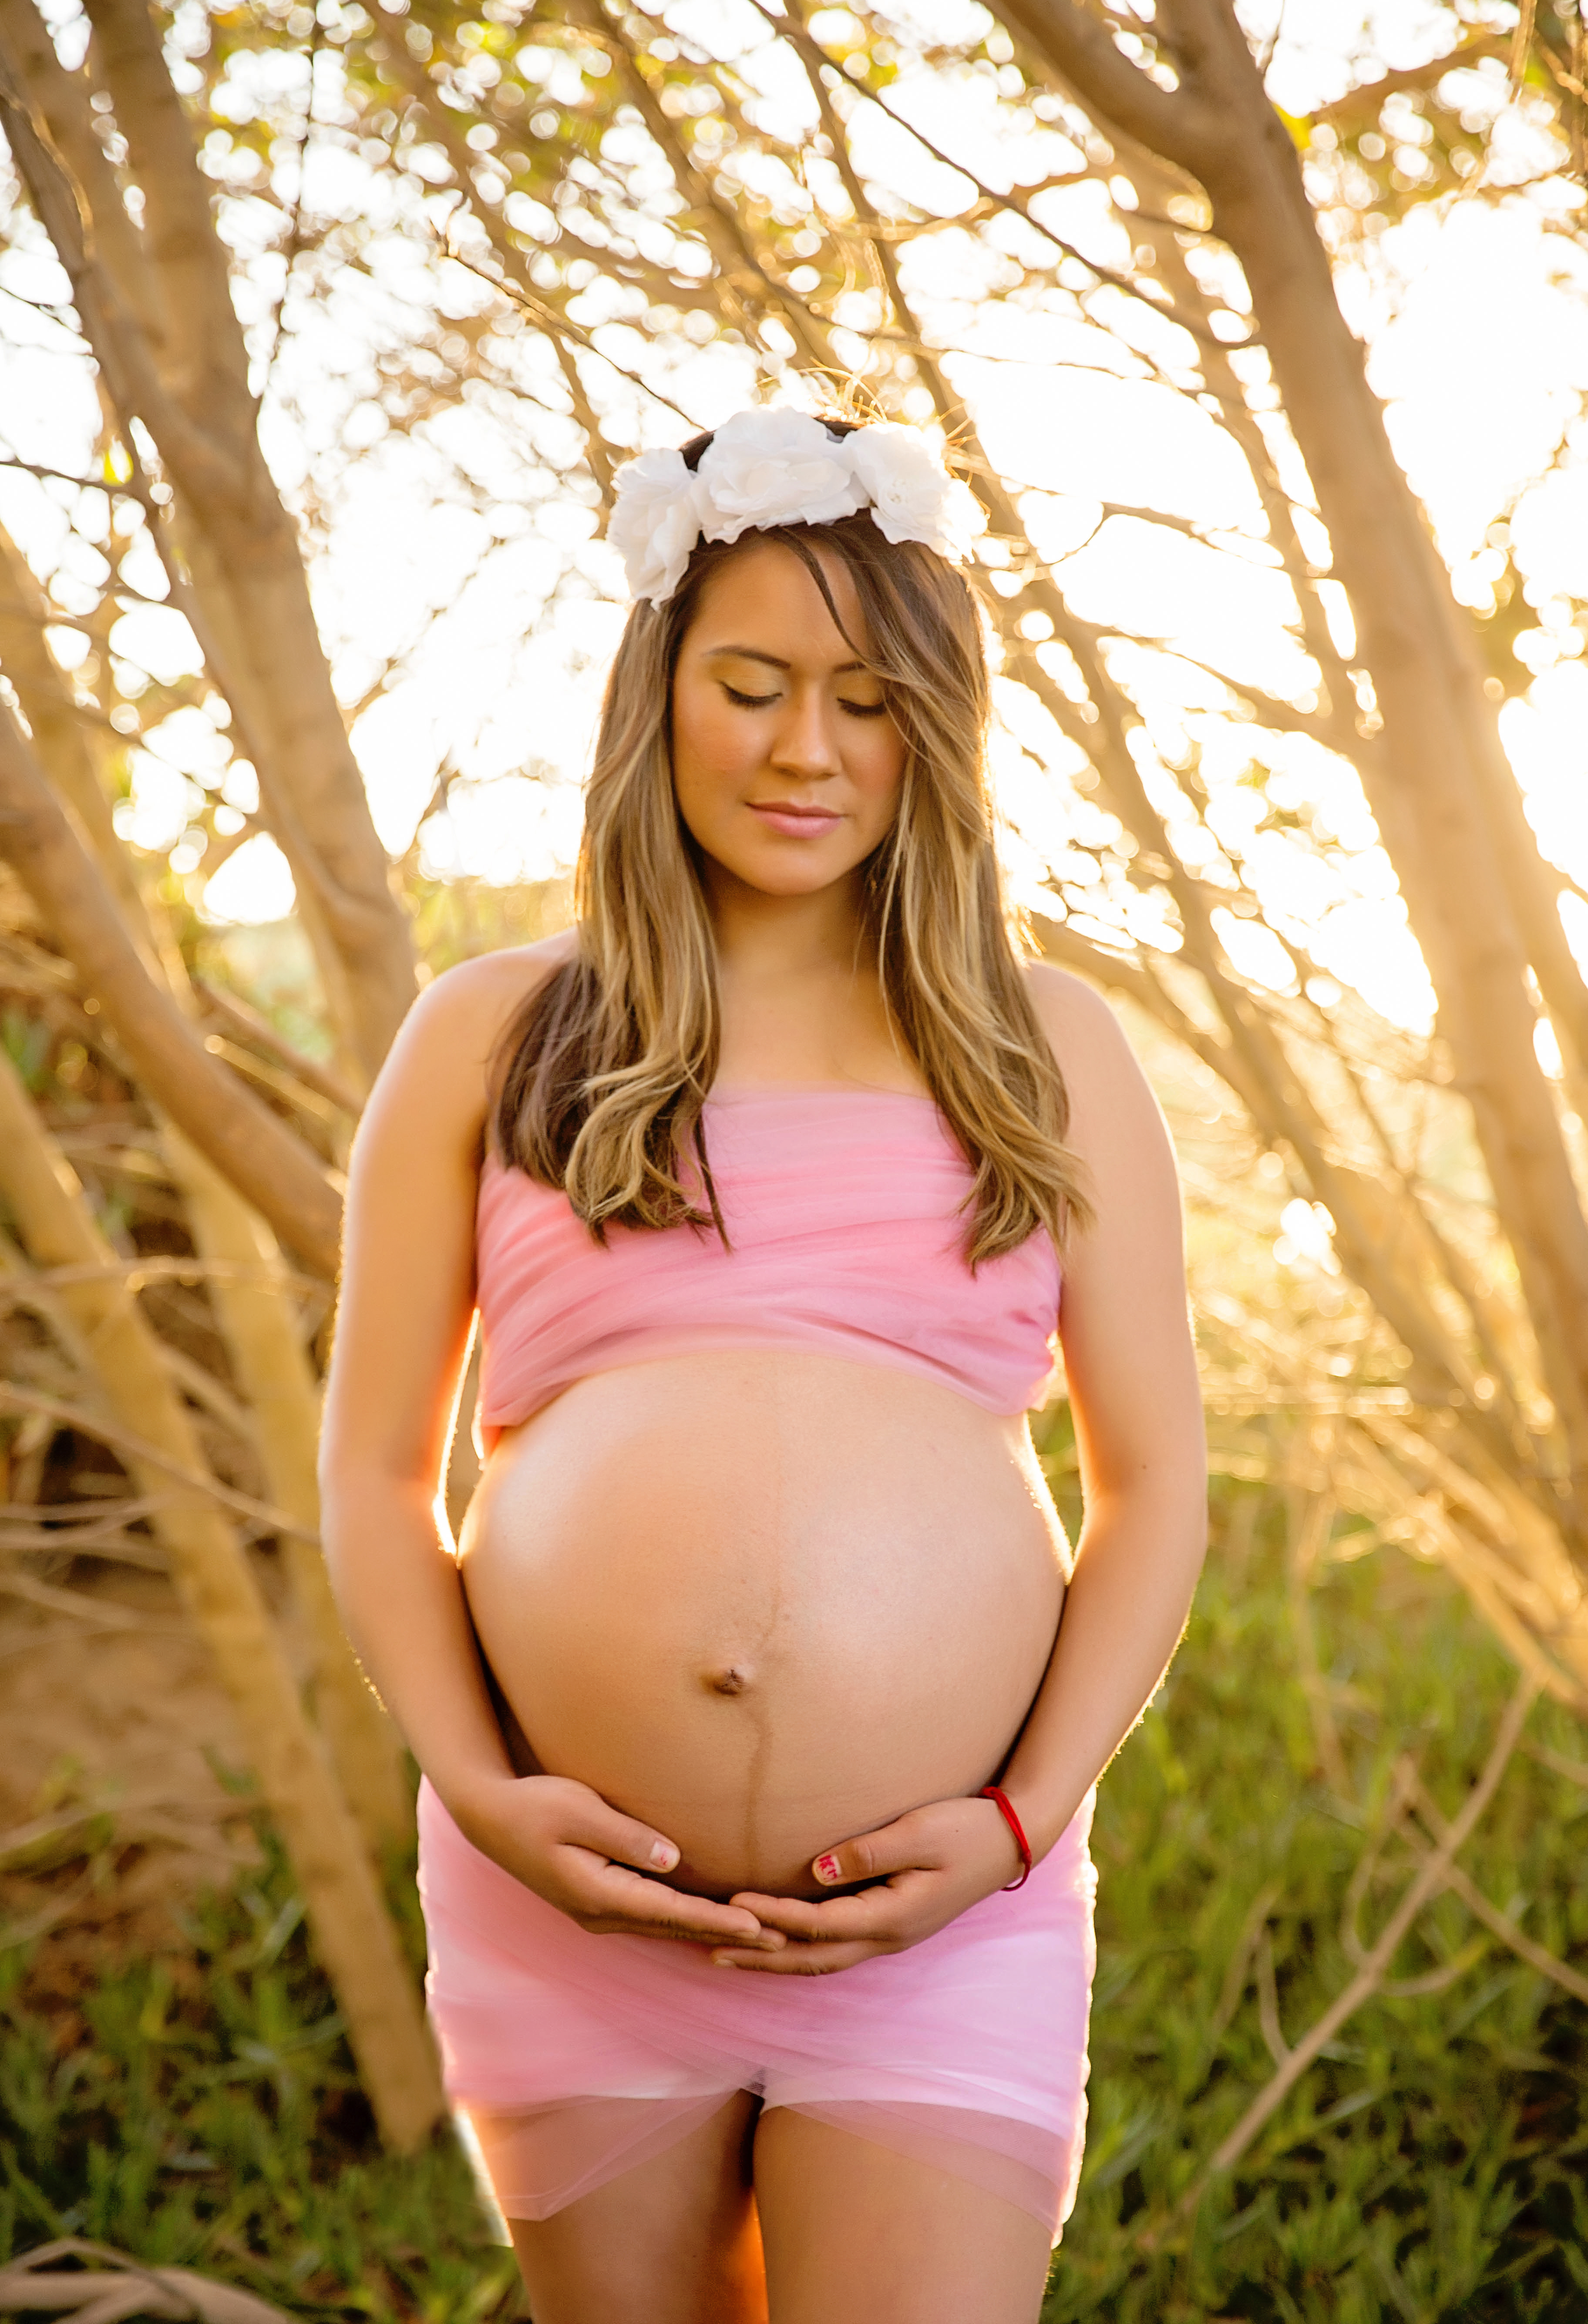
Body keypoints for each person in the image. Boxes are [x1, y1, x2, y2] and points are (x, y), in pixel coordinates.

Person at [319, 406, 1207, 2324]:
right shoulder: (492, 1038)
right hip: (568, 1901)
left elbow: (1158, 1494)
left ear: (935, 733)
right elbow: (378, 1475)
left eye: (872, 699)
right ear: (662, 696)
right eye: (754, 684)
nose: (811, 749)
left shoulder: (1044, 1046)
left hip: (938, 1922)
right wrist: (482, 1790)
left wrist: (1013, 1823)